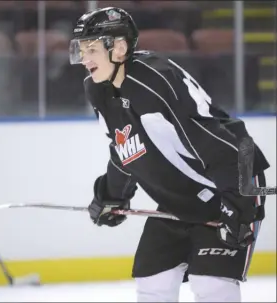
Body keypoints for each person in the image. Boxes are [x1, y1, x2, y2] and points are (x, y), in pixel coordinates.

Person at [69, 7, 270, 302]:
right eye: (81, 50)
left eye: (92, 49)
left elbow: (219, 143)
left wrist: (239, 205)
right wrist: (111, 195)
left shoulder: (154, 79)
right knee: (153, 281)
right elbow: (125, 148)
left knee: (211, 283)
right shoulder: (98, 88)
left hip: (228, 186)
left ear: (120, 48)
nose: (85, 59)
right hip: (179, 199)